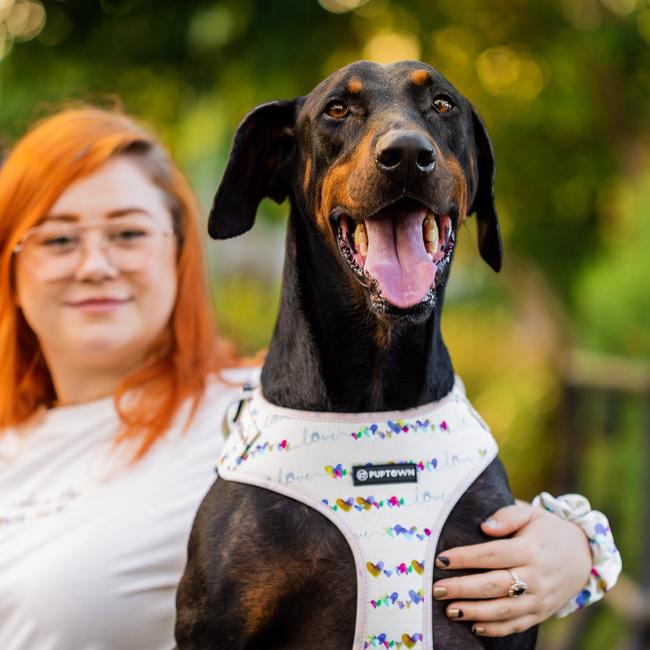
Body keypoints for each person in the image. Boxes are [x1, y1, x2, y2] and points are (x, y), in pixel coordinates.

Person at [0, 106, 619, 649]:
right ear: (11, 259)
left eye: (128, 232)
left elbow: (416, 480)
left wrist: (578, 549)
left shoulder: (270, 429)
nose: (94, 263)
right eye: (57, 239)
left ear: (179, 252)